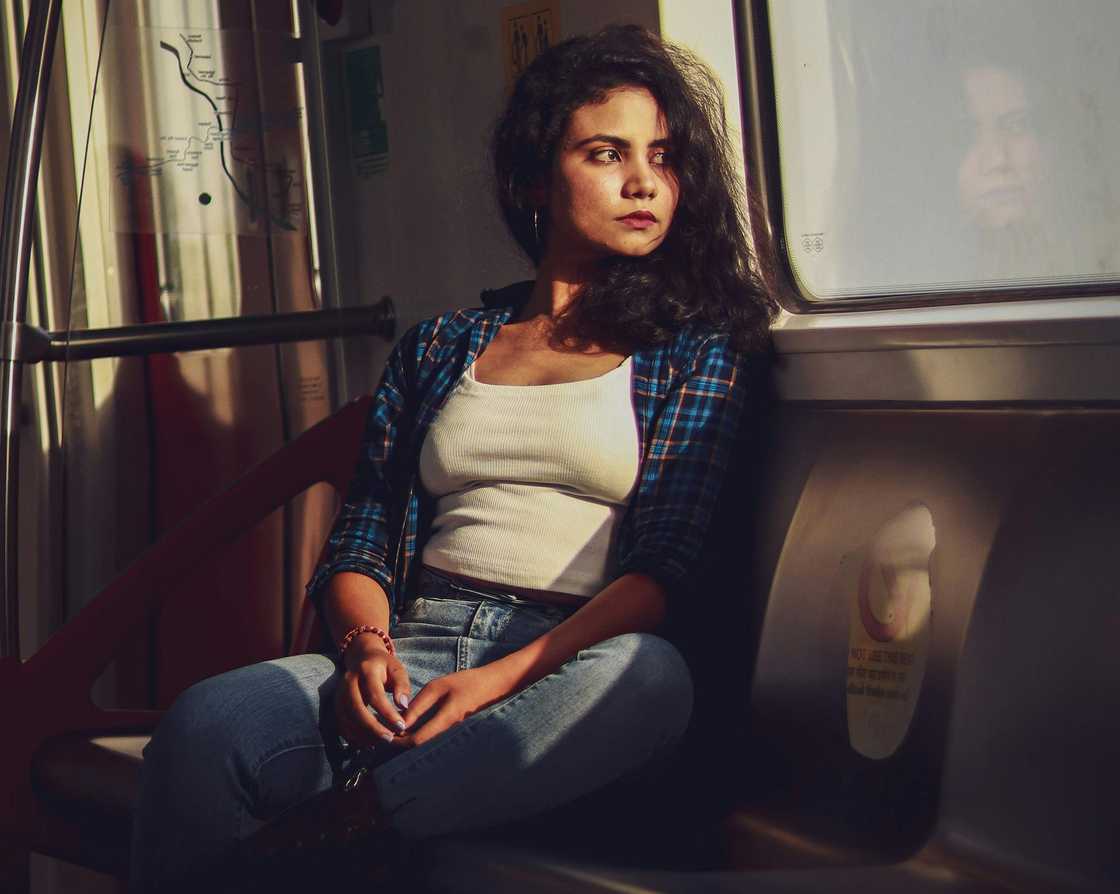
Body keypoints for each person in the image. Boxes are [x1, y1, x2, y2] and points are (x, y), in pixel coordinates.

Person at [131, 23, 774, 891]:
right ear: (536, 177)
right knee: (208, 723)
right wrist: (367, 652)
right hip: (413, 648)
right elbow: (360, 539)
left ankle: (353, 825)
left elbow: (664, 570)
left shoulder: (695, 349)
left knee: (653, 678)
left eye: (662, 158)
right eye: (606, 153)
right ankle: (391, 804)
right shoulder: (441, 346)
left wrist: (494, 683)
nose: (643, 183)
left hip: (562, 675)